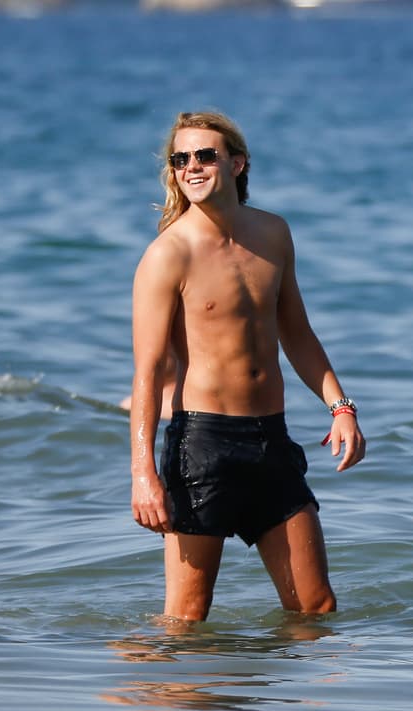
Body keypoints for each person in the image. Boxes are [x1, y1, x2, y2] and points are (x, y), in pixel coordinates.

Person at [130, 111, 365, 623]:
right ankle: (152, 696)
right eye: (180, 159)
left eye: (205, 155)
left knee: (315, 608)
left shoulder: (273, 235)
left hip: (271, 442)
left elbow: (297, 333)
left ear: (237, 163)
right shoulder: (167, 255)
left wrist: (340, 406)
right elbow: (147, 374)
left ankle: (280, 701)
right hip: (202, 448)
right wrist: (143, 473)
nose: (191, 166)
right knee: (187, 618)